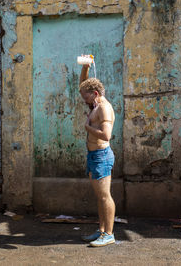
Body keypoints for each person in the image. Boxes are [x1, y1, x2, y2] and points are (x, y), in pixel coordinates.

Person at [78, 59, 116, 247]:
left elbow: (106, 135)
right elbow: (83, 86)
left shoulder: (104, 108)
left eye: (86, 98)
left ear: (95, 94)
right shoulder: (94, 103)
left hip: (102, 156)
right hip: (94, 156)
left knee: (104, 196)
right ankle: (101, 231)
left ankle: (109, 234)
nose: (84, 101)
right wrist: (85, 68)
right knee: (99, 196)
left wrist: (88, 128)